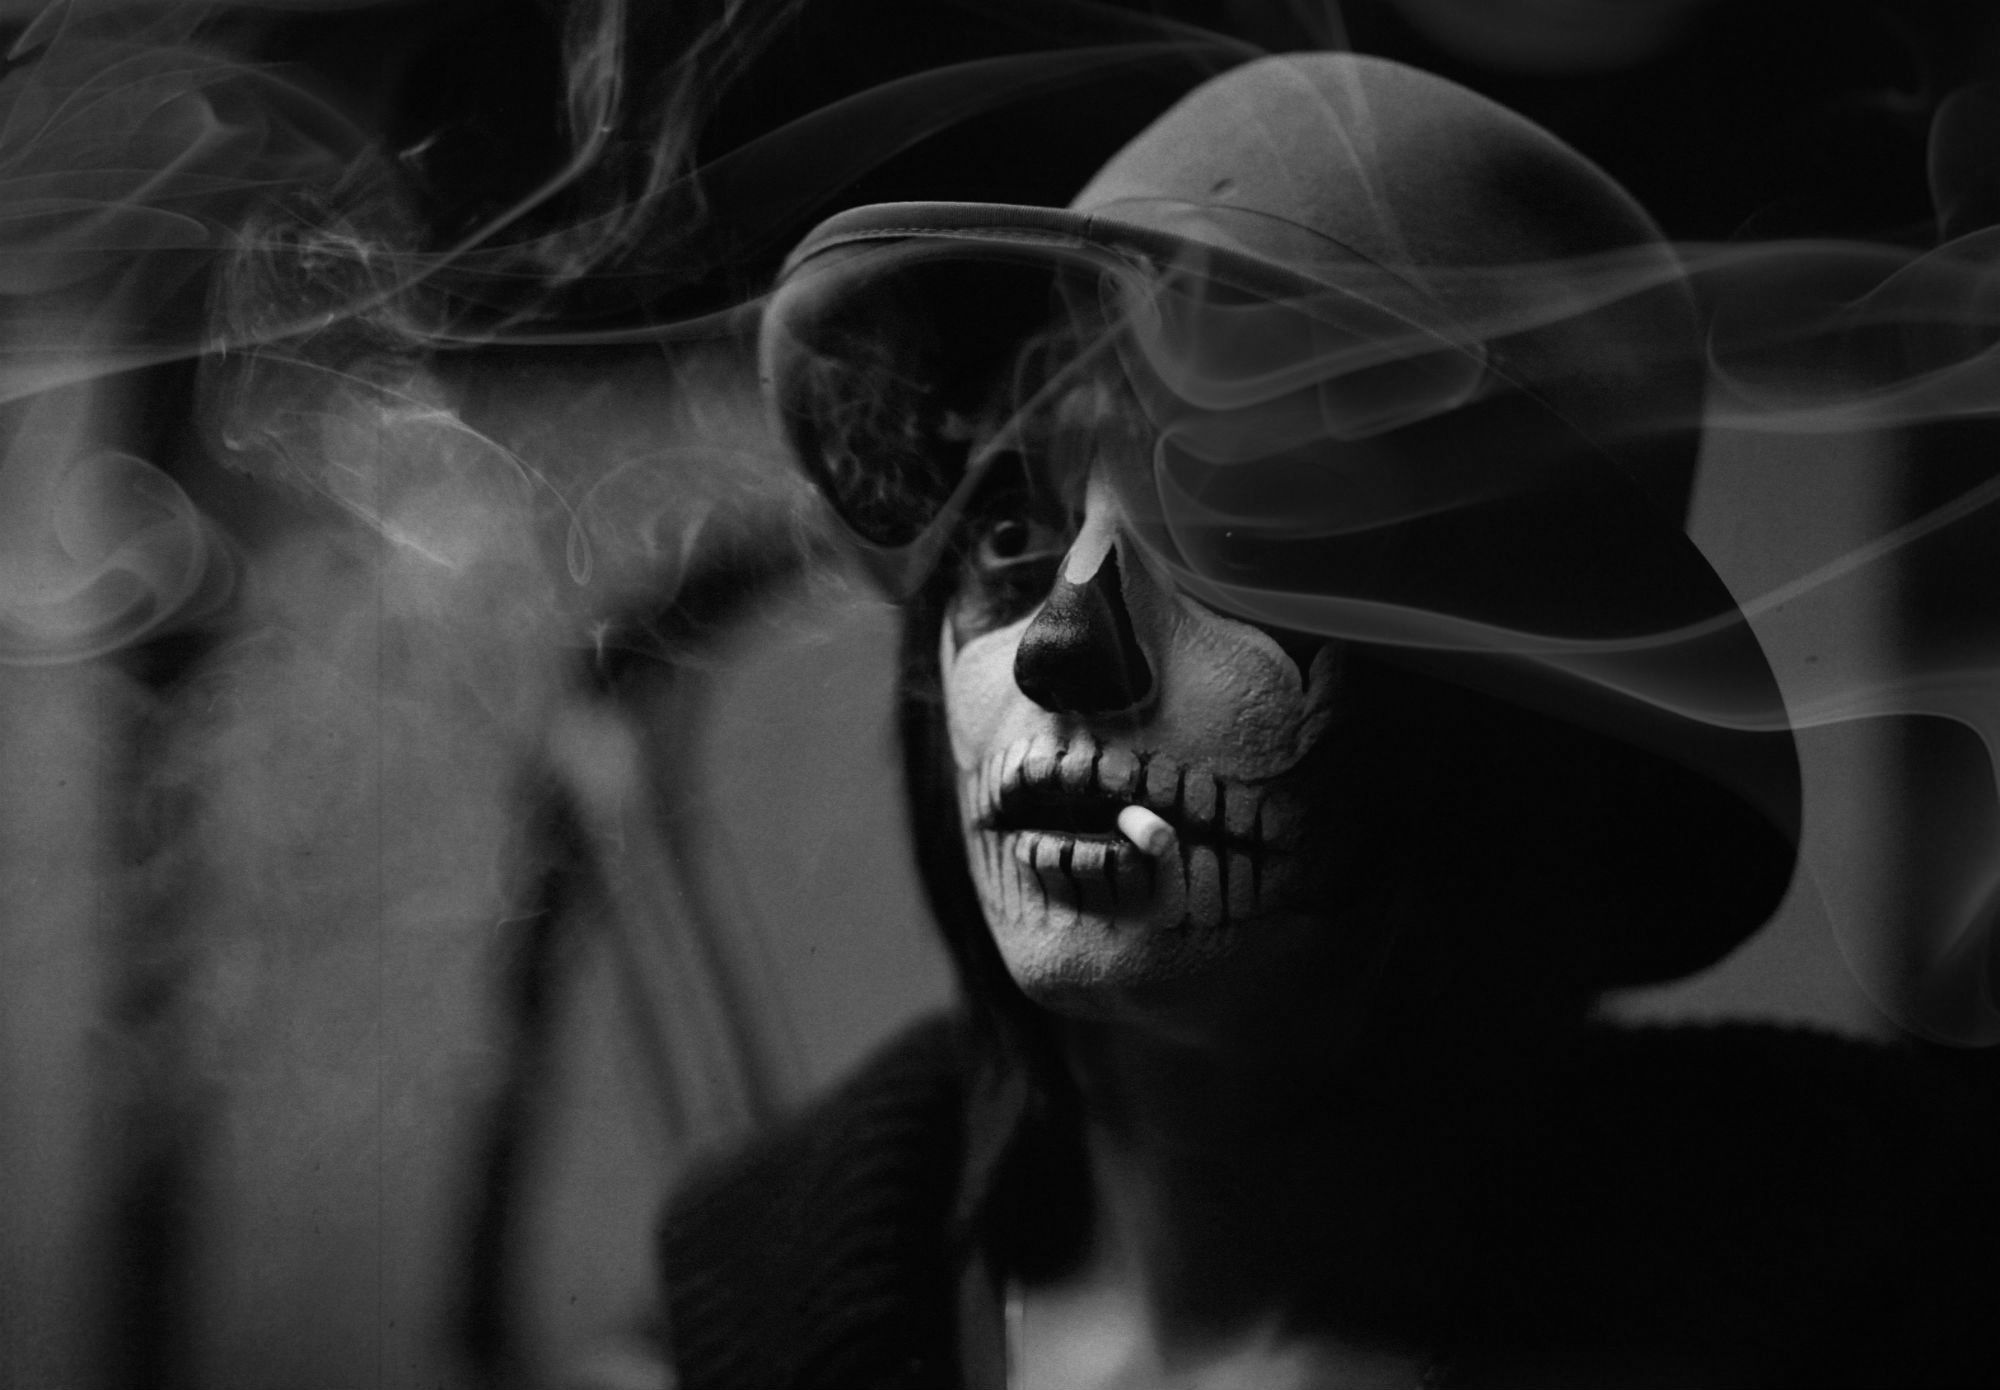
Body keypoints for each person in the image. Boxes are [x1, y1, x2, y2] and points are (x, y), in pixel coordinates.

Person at [655, 53, 1996, 1389]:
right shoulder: (777, 1308)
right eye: (1013, 534)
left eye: (1241, 528)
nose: (1063, 648)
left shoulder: (1883, 1307)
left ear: (1513, 699)